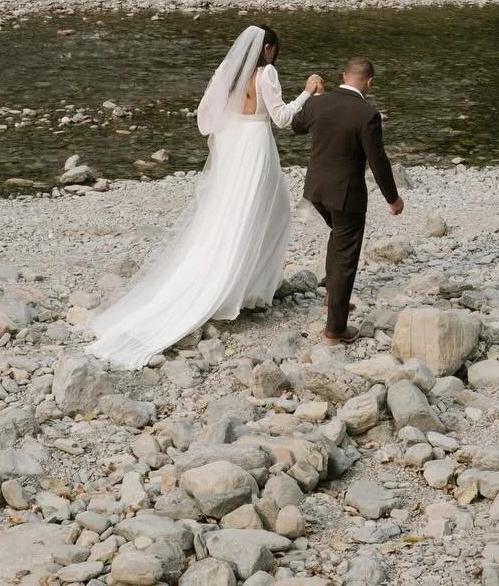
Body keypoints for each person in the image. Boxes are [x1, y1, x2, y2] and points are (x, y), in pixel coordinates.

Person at [86, 25, 325, 368]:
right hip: (256, 146)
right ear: (268, 49)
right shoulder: (266, 73)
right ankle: (241, 291)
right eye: (274, 49)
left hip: (235, 146)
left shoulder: (226, 74)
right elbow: (282, 118)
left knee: (235, 214)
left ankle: (247, 289)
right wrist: (307, 93)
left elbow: (207, 120)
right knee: (268, 215)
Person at [291, 56, 403, 345]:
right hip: (346, 195)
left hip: (316, 190)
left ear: (343, 75)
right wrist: (393, 198)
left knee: (338, 237)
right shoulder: (366, 114)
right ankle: (335, 330)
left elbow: (296, 127)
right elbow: (377, 160)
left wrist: (313, 97)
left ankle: (331, 297)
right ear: (369, 82)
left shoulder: (318, 102)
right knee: (346, 257)